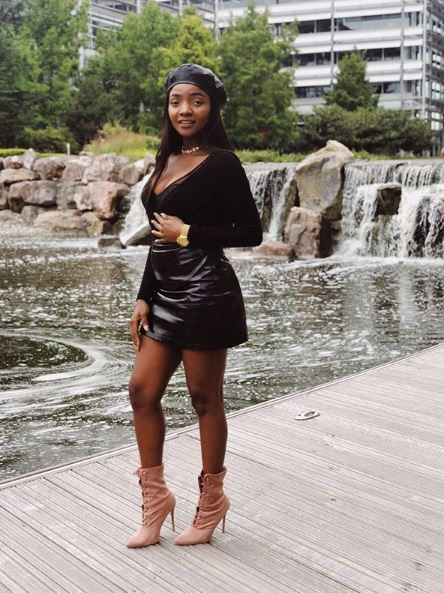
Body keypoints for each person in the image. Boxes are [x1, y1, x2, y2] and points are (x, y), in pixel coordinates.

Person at [126, 64, 263, 548]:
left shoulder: (222, 163)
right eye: (176, 101)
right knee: (141, 392)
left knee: (205, 399)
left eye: (196, 101)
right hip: (164, 294)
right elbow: (156, 238)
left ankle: (212, 501)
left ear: (212, 108)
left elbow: (251, 232)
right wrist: (144, 296)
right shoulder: (165, 159)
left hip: (206, 292)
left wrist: (188, 233)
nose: (185, 110)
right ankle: (156, 498)